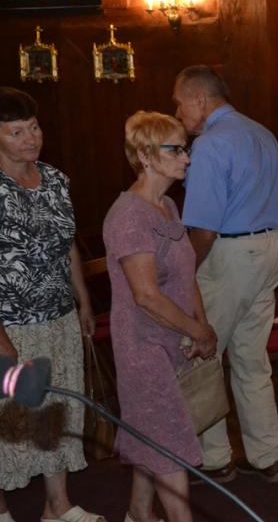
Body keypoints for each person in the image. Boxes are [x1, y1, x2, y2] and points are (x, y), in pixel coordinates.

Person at [103, 111, 217, 522]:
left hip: (175, 340)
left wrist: (202, 325)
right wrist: (197, 331)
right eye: (176, 150)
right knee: (168, 444)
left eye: (186, 149)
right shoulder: (129, 216)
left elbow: (187, 274)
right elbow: (147, 297)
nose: (186, 158)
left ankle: (138, 512)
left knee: (154, 432)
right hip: (143, 347)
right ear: (145, 156)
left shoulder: (167, 205)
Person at [173, 65, 278, 484]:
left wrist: (185, 271)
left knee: (203, 355)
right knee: (252, 360)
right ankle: (268, 456)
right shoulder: (263, 133)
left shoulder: (209, 144)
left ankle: (215, 458)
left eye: (179, 103)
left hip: (230, 254)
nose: (178, 113)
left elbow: (203, 228)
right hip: (271, 247)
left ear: (199, 100)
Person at [0, 87, 103, 522]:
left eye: (35, 127)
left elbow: (67, 245)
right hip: (10, 325)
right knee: (11, 420)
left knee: (57, 411)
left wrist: (82, 300)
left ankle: (57, 506)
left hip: (58, 318)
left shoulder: (56, 179)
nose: (31, 138)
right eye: (17, 132)